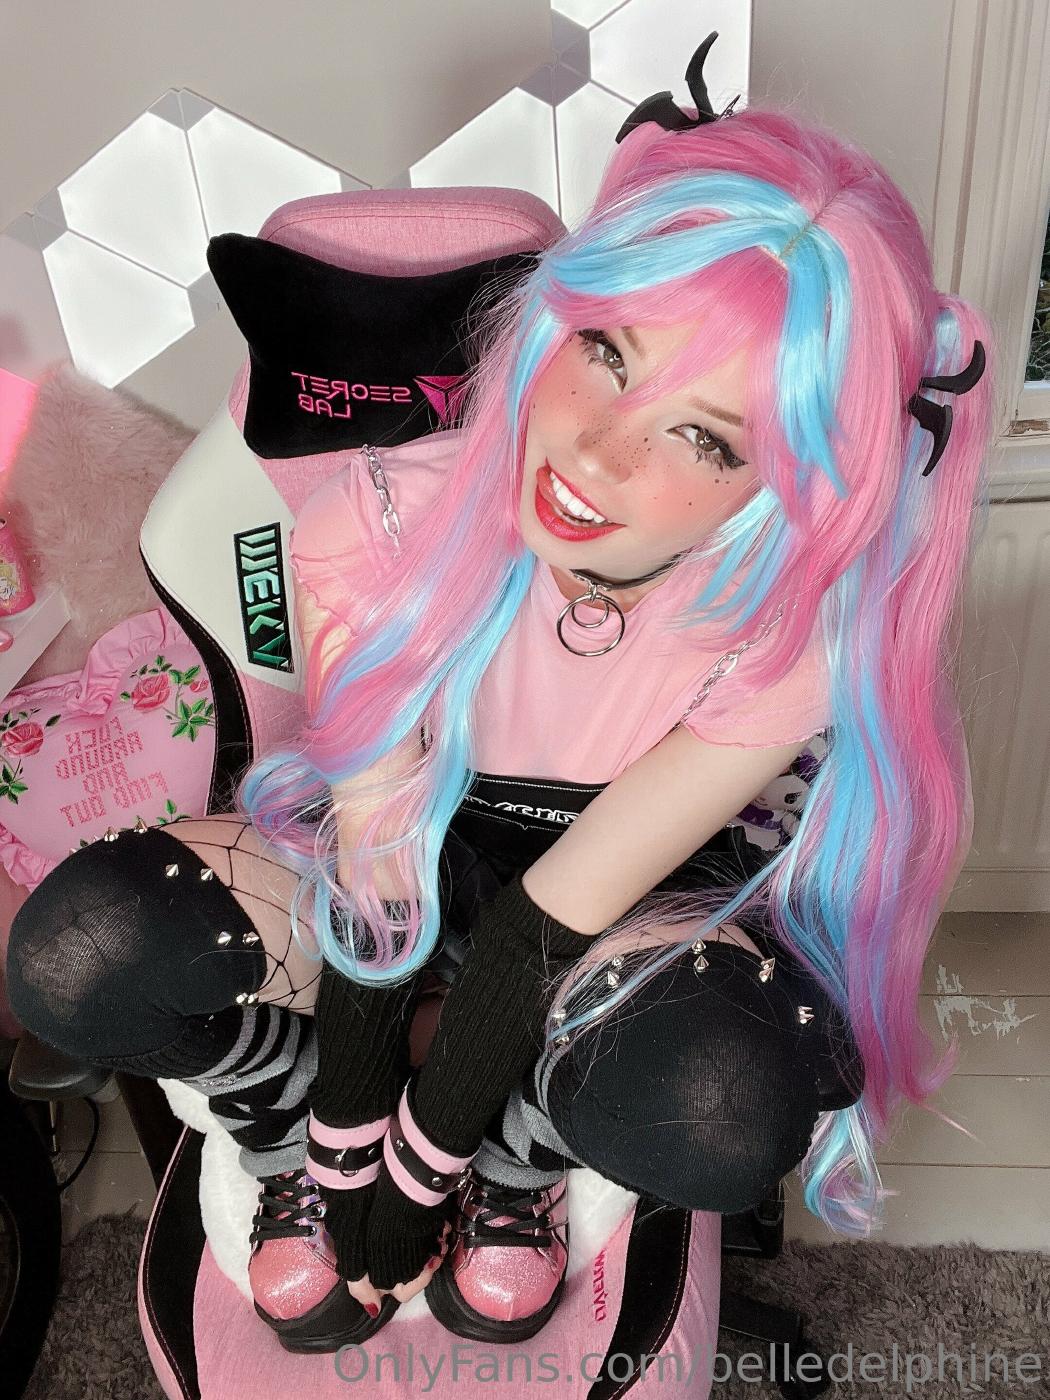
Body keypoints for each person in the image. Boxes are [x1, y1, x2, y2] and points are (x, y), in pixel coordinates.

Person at [6, 31, 993, 1357]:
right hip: (398, 855)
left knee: (724, 1099)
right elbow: (380, 871)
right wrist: (344, 1157)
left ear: (790, 483)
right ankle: (276, 1109)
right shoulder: (377, 514)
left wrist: (423, 1182)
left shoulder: (789, 635)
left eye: (702, 437)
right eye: (608, 353)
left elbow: (545, 921)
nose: (595, 451)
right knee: (73, 955)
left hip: (603, 905)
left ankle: (522, 1159)